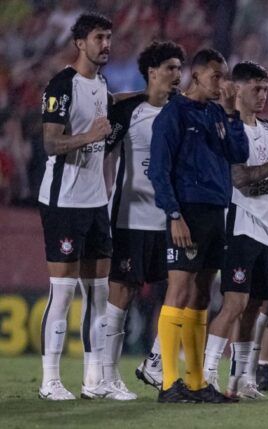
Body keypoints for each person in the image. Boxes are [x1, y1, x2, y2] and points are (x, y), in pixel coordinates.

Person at [200, 61, 268, 399]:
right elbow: (240, 179)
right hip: (240, 223)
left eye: (265, 89)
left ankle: (241, 379)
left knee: (256, 306)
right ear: (237, 89)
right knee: (234, 303)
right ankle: (207, 375)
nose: (263, 95)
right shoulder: (230, 130)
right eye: (256, 89)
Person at [148, 48, 249, 403]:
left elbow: (239, 154)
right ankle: (168, 382)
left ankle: (195, 382)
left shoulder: (218, 114)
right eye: (216, 76)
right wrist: (174, 215)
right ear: (197, 75)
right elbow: (158, 170)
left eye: (224, 77)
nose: (222, 84)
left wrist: (233, 114)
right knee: (178, 290)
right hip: (187, 212)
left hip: (215, 211)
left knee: (203, 294)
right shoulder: (173, 114)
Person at [38, 12, 128, 401]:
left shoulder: (102, 84)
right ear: (79, 43)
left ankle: (95, 381)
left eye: (108, 37)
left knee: (98, 294)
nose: (105, 44)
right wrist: (89, 135)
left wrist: (147, 96)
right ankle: (50, 382)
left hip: (96, 202)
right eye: (98, 38)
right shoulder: (62, 85)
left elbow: (111, 107)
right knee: (62, 293)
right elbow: (50, 143)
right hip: (64, 201)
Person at [104, 40, 185, 400]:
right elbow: (102, 150)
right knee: (122, 292)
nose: (177, 74)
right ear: (152, 72)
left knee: (180, 288)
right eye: (170, 68)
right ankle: (106, 376)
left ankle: (155, 362)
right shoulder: (128, 110)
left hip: (169, 218)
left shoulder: (182, 111)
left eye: (180, 68)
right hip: (131, 216)